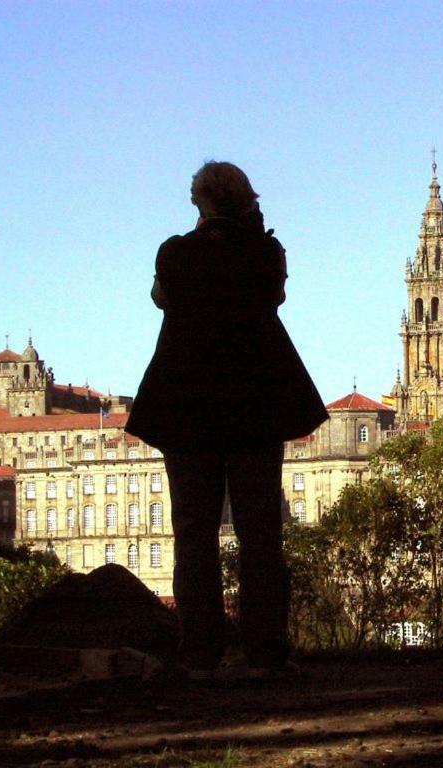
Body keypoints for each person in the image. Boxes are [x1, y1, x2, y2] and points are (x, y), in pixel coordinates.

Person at [126, 161, 328, 678]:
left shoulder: (175, 253)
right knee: (261, 530)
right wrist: (251, 230)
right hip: (254, 403)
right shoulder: (264, 253)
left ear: (199, 200)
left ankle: (199, 653)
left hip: (186, 404)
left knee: (193, 531)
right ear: (246, 200)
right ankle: (265, 652)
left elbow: (161, 299)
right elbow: (275, 294)